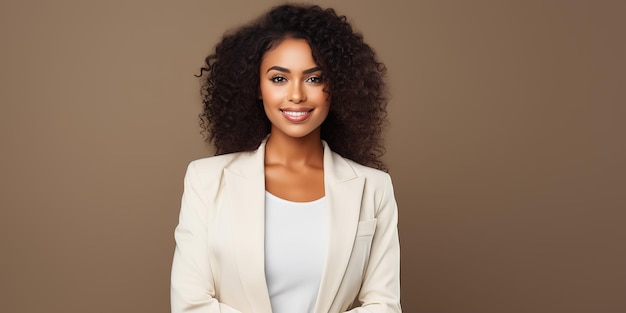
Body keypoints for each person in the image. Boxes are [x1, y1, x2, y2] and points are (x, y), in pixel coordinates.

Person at [171, 4, 401, 313]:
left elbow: (383, 305)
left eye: (314, 79)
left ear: (336, 88)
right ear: (257, 87)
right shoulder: (206, 180)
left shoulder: (374, 188)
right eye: (279, 79)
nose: (296, 95)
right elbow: (190, 304)